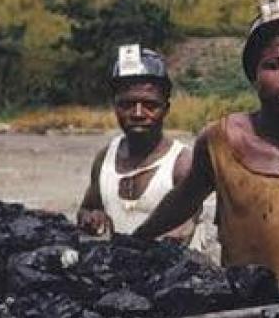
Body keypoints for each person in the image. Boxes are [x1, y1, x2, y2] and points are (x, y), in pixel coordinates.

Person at [133, 0, 279, 290]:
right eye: (275, 64)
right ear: (254, 74)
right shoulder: (218, 140)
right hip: (243, 311)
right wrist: (137, 239)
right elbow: (184, 198)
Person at [77, 45, 197, 243]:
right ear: (115, 106)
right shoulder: (104, 160)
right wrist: (90, 217)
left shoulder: (182, 164)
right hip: (118, 269)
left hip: (175, 272)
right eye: (127, 104)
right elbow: (89, 207)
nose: (138, 114)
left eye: (150, 105)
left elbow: (182, 232)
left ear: (166, 108)